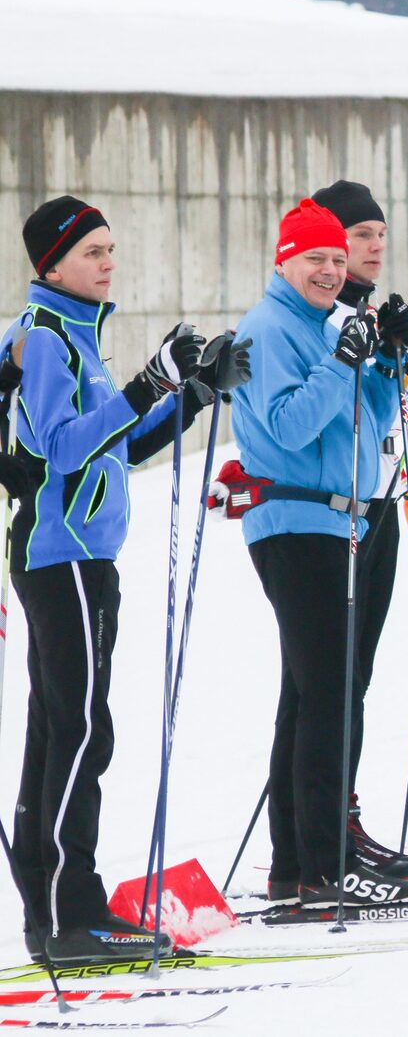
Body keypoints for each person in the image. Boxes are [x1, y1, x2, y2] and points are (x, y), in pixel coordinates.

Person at [3, 197, 238, 962]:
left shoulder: (74, 334)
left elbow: (119, 446)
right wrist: (145, 383)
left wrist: (189, 391)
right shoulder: (46, 338)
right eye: (93, 251)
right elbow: (64, 448)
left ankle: (51, 909)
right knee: (79, 731)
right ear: (52, 265)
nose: (109, 262)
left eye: (110, 248)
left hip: (79, 556)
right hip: (61, 552)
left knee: (59, 728)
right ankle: (72, 911)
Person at [233, 198, 408, 907]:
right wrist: (343, 364)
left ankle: (298, 863)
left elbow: (368, 419)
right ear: (285, 260)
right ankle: (322, 864)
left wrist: (387, 359)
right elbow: (290, 426)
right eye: (317, 258)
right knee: (330, 694)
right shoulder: (271, 326)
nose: (332, 271)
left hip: (337, 522)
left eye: (339, 260)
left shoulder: (322, 325)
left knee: (316, 693)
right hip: (296, 521)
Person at [308, 179, 408, 880]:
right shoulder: (324, 314)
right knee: (328, 679)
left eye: (379, 235)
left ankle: (339, 816)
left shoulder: (368, 310)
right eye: (360, 236)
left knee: (356, 676)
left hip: (380, 502)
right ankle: (318, 835)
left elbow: (393, 412)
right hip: (334, 509)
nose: (373, 247)